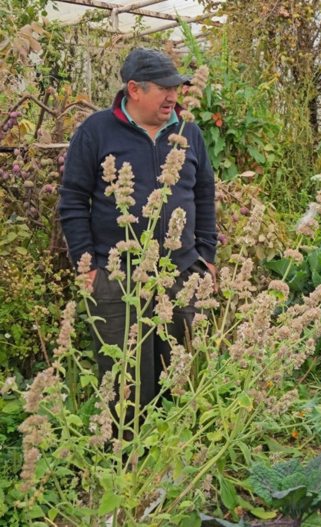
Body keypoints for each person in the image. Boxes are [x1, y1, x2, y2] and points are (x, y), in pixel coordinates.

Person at [58, 48, 217, 425]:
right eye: (163, 88)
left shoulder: (187, 132)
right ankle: (127, 468)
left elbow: (205, 195)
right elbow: (73, 200)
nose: (172, 96)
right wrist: (86, 264)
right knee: (124, 381)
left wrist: (206, 257)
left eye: (176, 88)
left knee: (180, 374)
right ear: (134, 89)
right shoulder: (97, 131)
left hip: (179, 271)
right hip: (117, 278)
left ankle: (175, 468)